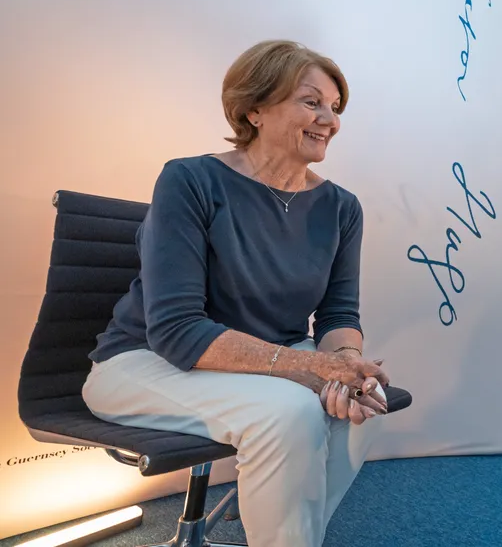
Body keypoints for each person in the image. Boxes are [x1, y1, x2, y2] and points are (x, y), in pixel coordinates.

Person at [82, 40, 392, 547]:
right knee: (288, 412)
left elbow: (338, 313)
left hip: (270, 362)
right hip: (146, 362)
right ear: (254, 109)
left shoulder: (342, 207)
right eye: (311, 102)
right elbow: (177, 332)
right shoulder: (190, 180)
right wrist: (313, 369)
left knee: (368, 398)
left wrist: (345, 365)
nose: (329, 120)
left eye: (335, 108)